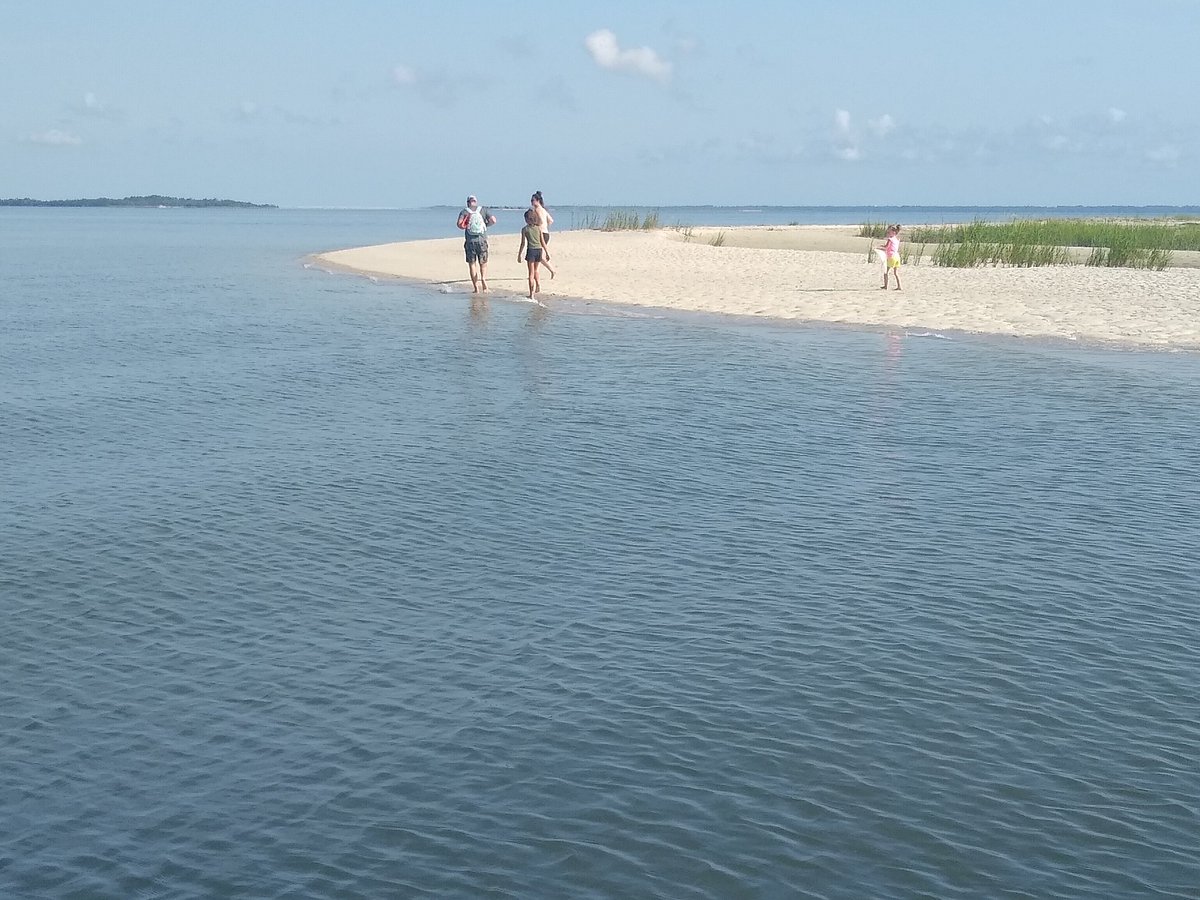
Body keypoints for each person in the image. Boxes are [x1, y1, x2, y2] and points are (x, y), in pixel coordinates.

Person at [456, 194, 497, 292]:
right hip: (482, 240)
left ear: (468, 202)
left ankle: (476, 288)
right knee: (483, 263)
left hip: (470, 242)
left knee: (472, 264)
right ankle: (483, 279)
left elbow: (459, 224)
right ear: (476, 201)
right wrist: (486, 225)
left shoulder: (465, 211)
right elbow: (494, 220)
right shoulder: (483, 210)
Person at [516, 207, 548, 300]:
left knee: (531, 273)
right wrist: (547, 252)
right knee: (536, 270)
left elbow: (523, 243)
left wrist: (519, 254)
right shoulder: (538, 229)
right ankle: (538, 284)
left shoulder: (525, 229)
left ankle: (531, 294)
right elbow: (543, 242)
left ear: (526, 219)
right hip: (539, 250)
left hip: (531, 251)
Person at [530, 191, 555, 279]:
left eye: (533, 200)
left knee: (539, 255)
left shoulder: (537, 210)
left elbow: (540, 221)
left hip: (541, 234)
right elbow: (551, 220)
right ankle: (535, 272)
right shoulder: (543, 209)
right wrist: (546, 226)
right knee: (539, 254)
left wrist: (537, 225)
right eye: (531, 200)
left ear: (537, 200)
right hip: (546, 233)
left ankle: (551, 270)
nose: (531, 202)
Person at [879, 224, 902, 290]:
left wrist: (878, 248)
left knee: (885, 272)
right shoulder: (897, 239)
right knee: (896, 273)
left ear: (894, 232)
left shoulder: (890, 239)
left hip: (891, 257)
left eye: (889, 232)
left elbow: (886, 247)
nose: (888, 233)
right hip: (897, 257)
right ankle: (899, 286)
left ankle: (885, 286)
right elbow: (890, 247)